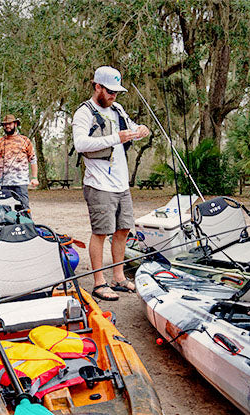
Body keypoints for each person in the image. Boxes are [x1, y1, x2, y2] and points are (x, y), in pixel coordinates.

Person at [72, 66, 150, 301]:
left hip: (120, 183)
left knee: (123, 229)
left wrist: (139, 129)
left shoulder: (117, 109)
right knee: (101, 232)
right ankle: (99, 282)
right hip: (99, 184)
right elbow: (80, 144)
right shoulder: (83, 113)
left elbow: (131, 126)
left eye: (117, 91)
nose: (114, 96)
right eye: (110, 91)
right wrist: (116, 138)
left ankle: (119, 276)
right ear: (98, 87)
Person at [0, 114, 38, 210]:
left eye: (9, 124)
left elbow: (33, 160)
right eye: (5, 124)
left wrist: (34, 178)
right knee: (5, 211)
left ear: (15, 124)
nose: (7, 126)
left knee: (23, 209)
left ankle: (26, 225)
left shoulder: (25, 140)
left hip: (20, 182)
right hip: (4, 183)